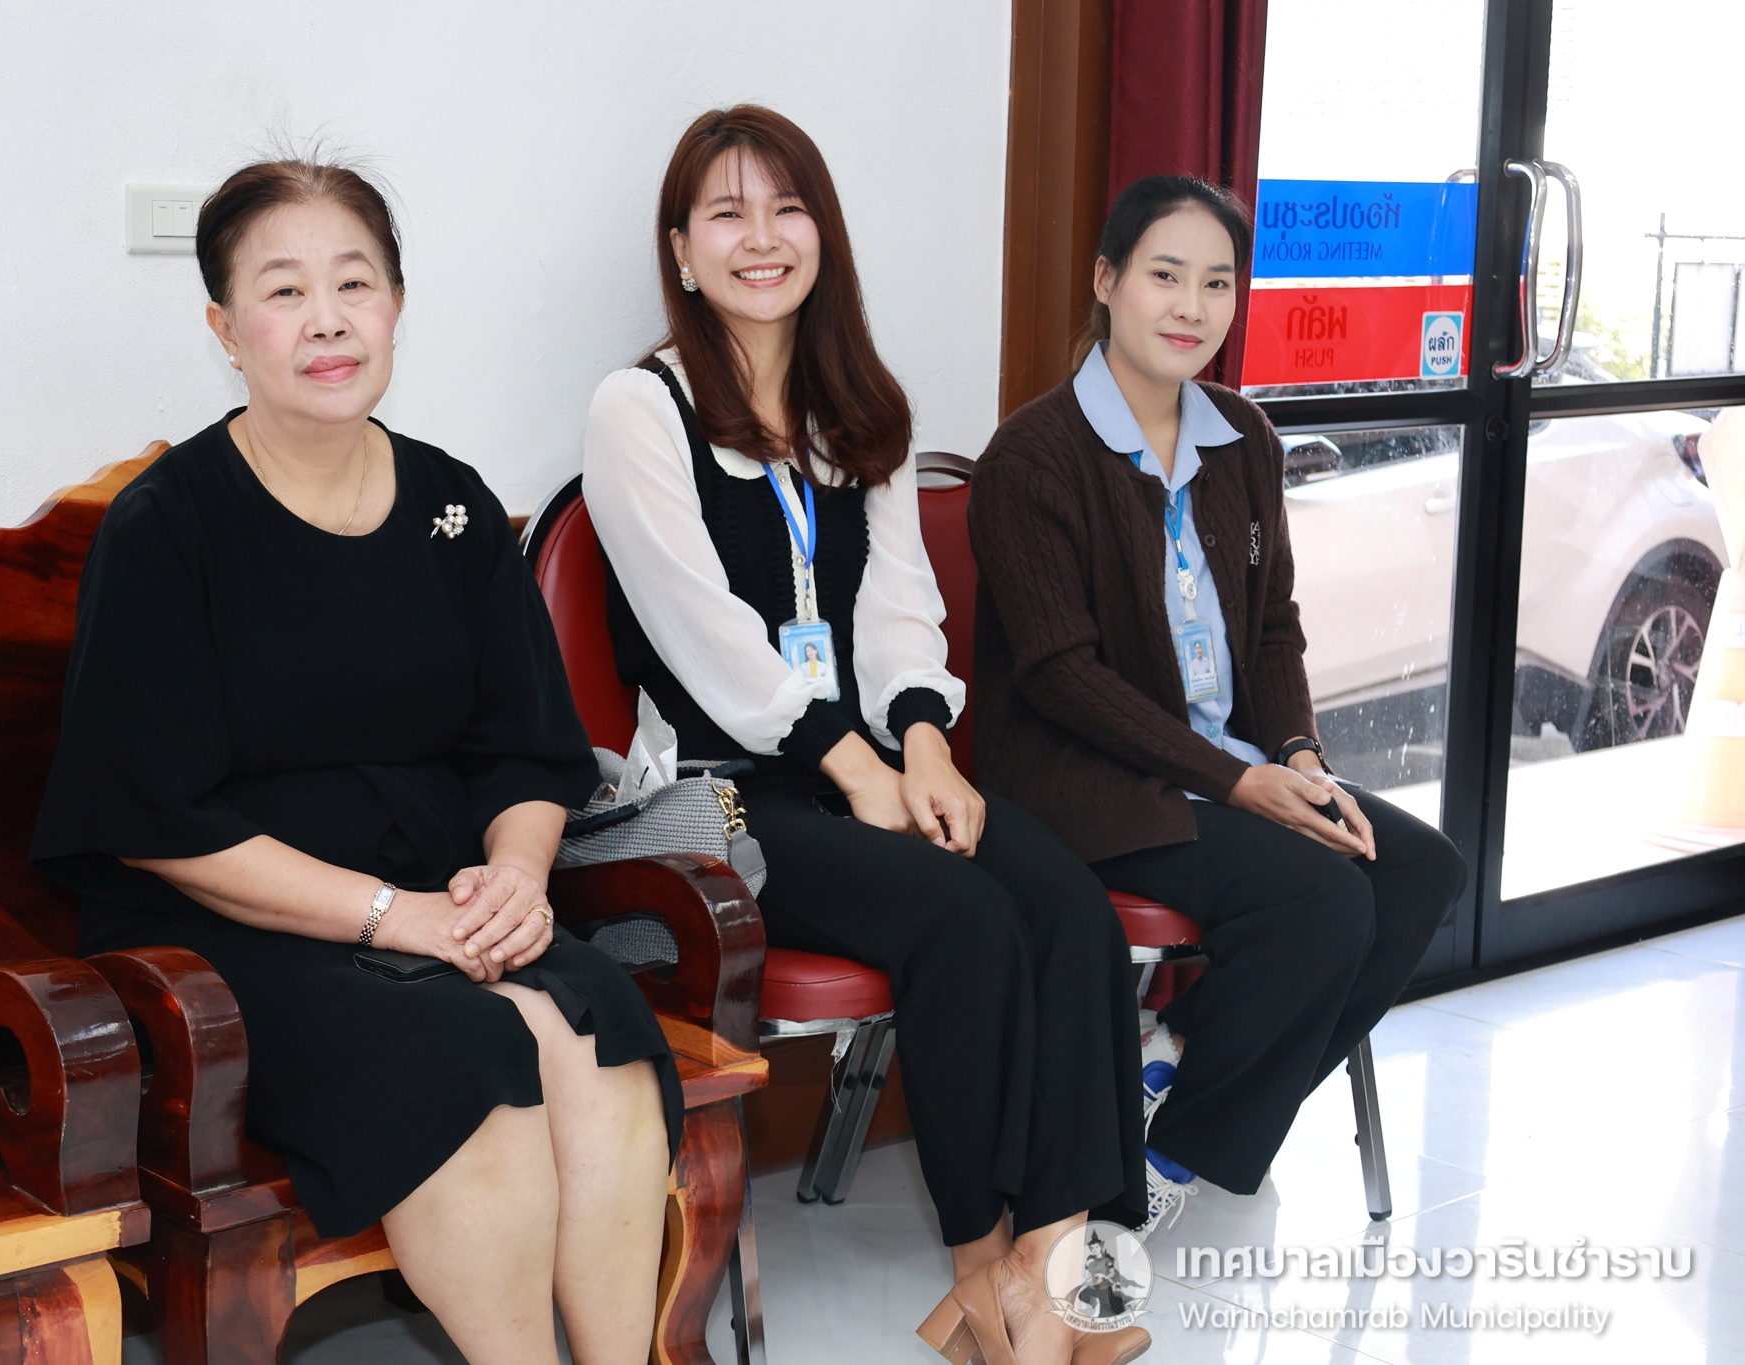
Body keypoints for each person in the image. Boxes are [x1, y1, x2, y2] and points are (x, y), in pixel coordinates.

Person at [31, 156, 680, 1365]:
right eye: (283, 291)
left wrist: (516, 877)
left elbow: (526, 746)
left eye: (354, 283)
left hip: (445, 894)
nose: (326, 319)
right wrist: (397, 919)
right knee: (469, 1059)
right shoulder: (168, 524)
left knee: (599, 1032)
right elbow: (156, 817)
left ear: (395, 305)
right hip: (228, 929)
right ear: (225, 329)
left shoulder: (449, 505)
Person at [583, 105, 1149, 1365]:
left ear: (822, 235)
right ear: (680, 251)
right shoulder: (640, 408)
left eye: (785, 209)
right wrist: (855, 767)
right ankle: (983, 1280)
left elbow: (897, 611)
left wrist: (925, 750)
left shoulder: (859, 410)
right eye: (724, 214)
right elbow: (708, 639)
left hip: (868, 770)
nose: (760, 238)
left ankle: (1054, 1273)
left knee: (1063, 902)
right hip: (727, 799)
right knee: (961, 918)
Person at [967, 175, 1467, 1234]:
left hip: (1224, 762)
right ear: (1106, 281)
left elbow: (1273, 625)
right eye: (1164, 275)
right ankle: (1169, 1159)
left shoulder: (1243, 435)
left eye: (1216, 283)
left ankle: (1180, 1066)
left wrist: (1297, 754)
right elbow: (1060, 675)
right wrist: (1241, 782)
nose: (1190, 307)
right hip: (1085, 778)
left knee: (1418, 868)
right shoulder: (1032, 456)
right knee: (1321, 902)